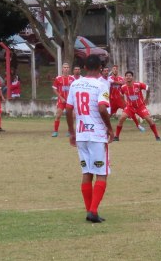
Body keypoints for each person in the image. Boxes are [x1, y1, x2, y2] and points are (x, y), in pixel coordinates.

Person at [65, 56, 114, 223]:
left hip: (81, 135)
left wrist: (72, 132)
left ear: (84, 66)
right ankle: (93, 211)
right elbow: (102, 108)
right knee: (101, 173)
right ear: (100, 67)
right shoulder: (101, 85)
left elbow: (68, 109)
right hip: (97, 135)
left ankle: (89, 210)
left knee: (87, 172)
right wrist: (109, 128)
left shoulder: (75, 83)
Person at [113, 71, 161, 141]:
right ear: (125, 77)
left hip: (140, 106)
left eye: (130, 76)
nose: (128, 77)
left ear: (132, 77)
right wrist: (125, 104)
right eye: (127, 76)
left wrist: (147, 98)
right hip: (130, 107)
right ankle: (116, 137)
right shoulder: (123, 87)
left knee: (149, 119)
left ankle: (157, 136)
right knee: (121, 118)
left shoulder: (138, 85)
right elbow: (121, 95)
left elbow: (148, 88)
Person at [108, 64, 144, 132]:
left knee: (130, 111)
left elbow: (125, 83)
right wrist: (116, 82)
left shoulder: (121, 78)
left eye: (116, 69)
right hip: (112, 100)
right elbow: (109, 82)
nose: (115, 70)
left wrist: (116, 82)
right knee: (108, 114)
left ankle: (138, 125)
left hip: (120, 100)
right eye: (114, 69)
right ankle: (105, 127)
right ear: (112, 70)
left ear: (118, 70)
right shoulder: (109, 78)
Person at [51, 63, 76, 137]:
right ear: (62, 69)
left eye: (67, 67)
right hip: (61, 101)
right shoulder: (58, 78)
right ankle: (55, 131)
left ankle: (69, 131)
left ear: (69, 69)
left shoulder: (72, 79)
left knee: (73, 116)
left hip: (70, 101)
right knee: (58, 115)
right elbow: (54, 89)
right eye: (65, 67)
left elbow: (74, 89)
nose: (66, 69)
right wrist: (61, 97)